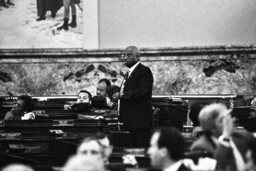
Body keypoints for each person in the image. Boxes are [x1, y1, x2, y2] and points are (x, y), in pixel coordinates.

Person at [190, 103, 253, 171]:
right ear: (211, 127)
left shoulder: (242, 136)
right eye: (223, 119)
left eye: (229, 117)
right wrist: (225, 137)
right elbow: (216, 167)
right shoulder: (200, 147)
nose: (231, 120)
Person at [113, 46, 153, 147]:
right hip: (128, 121)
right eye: (124, 55)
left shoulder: (144, 71)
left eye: (129, 55)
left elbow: (142, 91)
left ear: (138, 57)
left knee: (139, 151)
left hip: (139, 122)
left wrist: (122, 94)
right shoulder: (129, 73)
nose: (125, 57)